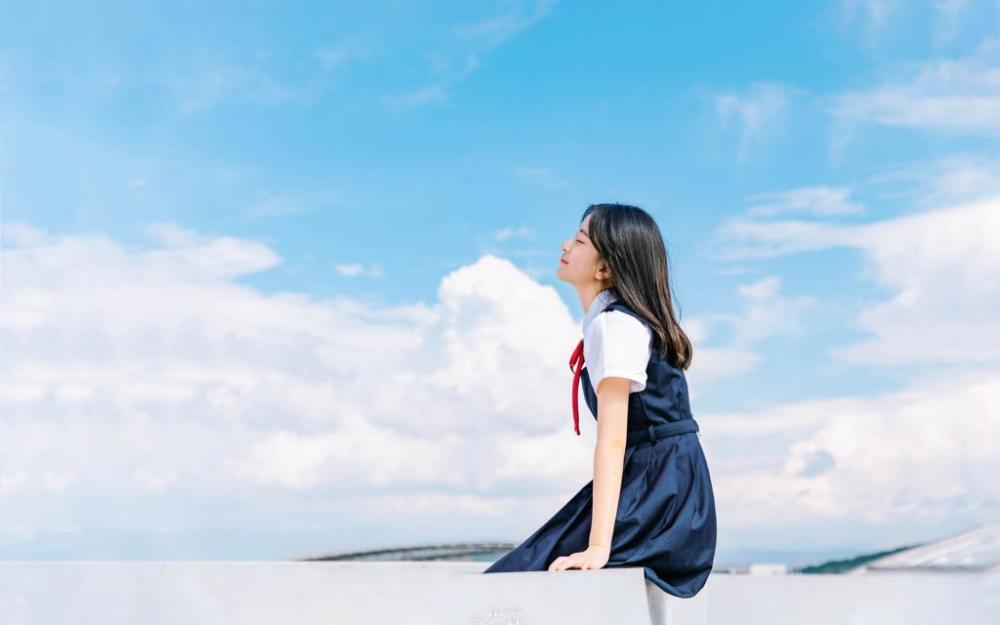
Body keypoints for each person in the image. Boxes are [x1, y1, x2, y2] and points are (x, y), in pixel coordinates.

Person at [482, 203, 717, 598]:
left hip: (662, 492)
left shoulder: (615, 326)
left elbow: (612, 441)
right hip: (664, 483)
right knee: (522, 571)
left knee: (518, 578)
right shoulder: (613, 321)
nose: (565, 244)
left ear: (604, 268)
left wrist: (597, 548)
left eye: (579, 239)